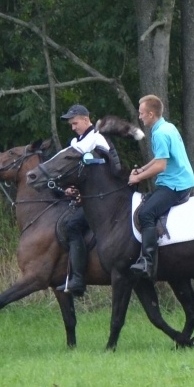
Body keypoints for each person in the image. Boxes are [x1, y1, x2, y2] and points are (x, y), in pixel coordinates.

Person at [127, 95, 194, 279]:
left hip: (174, 185)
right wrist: (142, 169)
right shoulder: (167, 127)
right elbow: (159, 159)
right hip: (180, 180)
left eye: (142, 114)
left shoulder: (159, 134)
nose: (140, 117)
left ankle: (148, 262)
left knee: (145, 213)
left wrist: (137, 178)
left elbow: (161, 166)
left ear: (151, 114)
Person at [57, 103, 111, 295]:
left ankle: (78, 280)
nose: (73, 127)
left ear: (86, 119)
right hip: (94, 196)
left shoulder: (93, 139)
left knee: (72, 226)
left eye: (75, 123)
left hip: (104, 199)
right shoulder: (79, 141)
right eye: (71, 124)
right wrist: (73, 188)